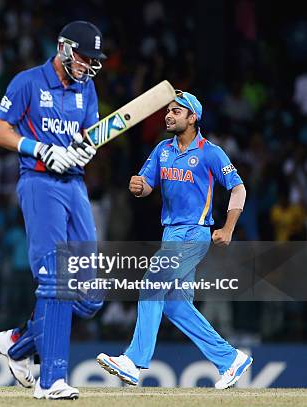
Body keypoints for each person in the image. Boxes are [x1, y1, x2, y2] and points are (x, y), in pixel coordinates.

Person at [96, 90, 252, 390]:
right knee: (176, 306)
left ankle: (134, 360)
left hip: (194, 233)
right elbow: (146, 187)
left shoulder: (210, 152)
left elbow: (238, 189)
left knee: (152, 282)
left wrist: (229, 227)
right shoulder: (162, 150)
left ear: (193, 118)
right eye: (168, 110)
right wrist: (138, 186)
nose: (169, 115)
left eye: (177, 111)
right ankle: (229, 359)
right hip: (170, 234)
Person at [0, 21, 105, 400]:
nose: (88, 66)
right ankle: (50, 379)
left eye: (93, 60)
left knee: (90, 296)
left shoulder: (86, 88)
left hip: (75, 185)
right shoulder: (28, 82)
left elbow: (89, 134)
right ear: (64, 49)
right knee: (57, 280)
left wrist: (86, 149)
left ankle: (20, 342)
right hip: (39, 184)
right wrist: (38, 148)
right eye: (85, 57)